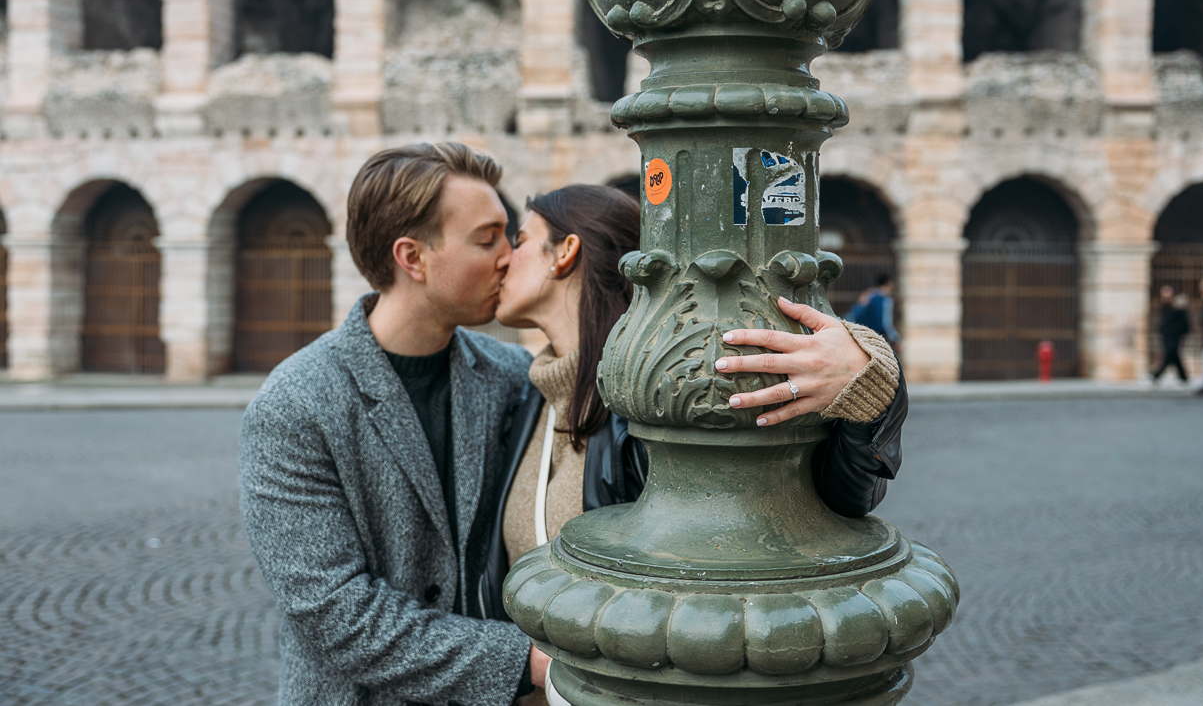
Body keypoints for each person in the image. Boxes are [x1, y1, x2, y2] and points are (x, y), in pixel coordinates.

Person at [490, 185, 908, 705]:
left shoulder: (660, 399)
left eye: (520, 238)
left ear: (564, 253)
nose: (504, 257)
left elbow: (831, 499)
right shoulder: (525, 392)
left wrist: (871, 374)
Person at [239, 143, 546, 706]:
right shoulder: (295, 404)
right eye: (487, 239)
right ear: (413, 257)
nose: (510, 256)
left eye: (510, 234)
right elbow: (336, 615)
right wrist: (525, 663)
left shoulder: (513, 375)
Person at [1150, 285, 1190, 385]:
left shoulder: (1178, 308)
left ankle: (1156, 375)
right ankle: (1183, 377)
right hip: (1167, 336)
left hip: (1175, 336)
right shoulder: (1164, 307)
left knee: (1169, 355)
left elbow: (1185, 324)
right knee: (1174, 356)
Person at [848, 273, 901, 347]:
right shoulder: (885, 299)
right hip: (877, 336)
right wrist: (895, 338)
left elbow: (854, 312)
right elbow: (886, 322)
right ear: (888, 283)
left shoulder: (869, 295)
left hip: (863, 334)